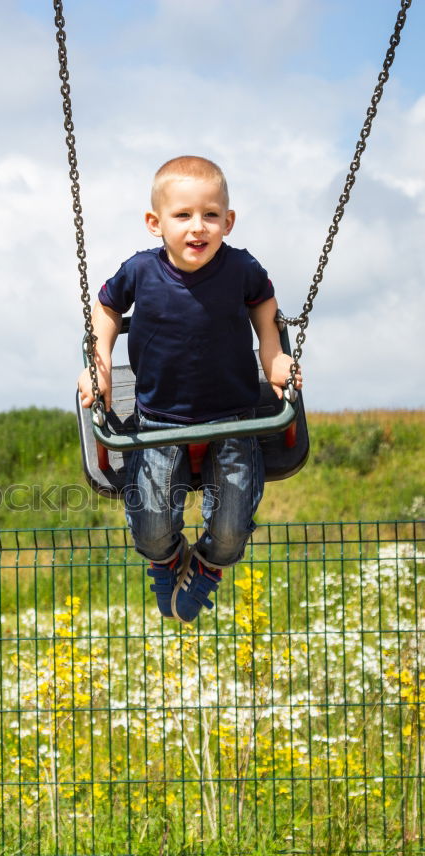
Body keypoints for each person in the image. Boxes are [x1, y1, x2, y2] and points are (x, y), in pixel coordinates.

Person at [77, 155, 302, 623]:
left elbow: (264, 309)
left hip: (235, 416)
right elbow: (106, 310)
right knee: (151, 528)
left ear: (228, 221)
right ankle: (167, 559)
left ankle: (208, 565)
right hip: (159, 418)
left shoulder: (241, 269)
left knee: (231, 530)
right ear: (155, 223)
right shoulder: (140, 271)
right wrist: (99, 363)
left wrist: (274, 355)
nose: (197, 227)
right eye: (183, 215)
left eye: (211, 215)